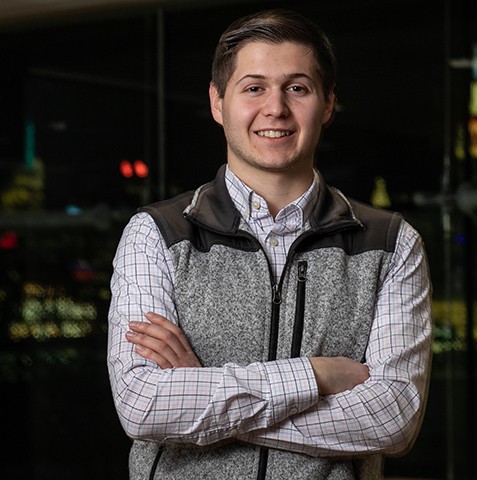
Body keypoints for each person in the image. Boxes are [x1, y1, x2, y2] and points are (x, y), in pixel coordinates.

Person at [106, 9, 433, 480]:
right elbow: (142, 405)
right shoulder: (156, 233)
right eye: (253, 87)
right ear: (219, 103)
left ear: (327, 104)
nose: (275, 108)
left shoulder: (390, 243)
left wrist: (202, 402)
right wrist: (316, 376)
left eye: (297, 88)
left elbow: (392, 420)